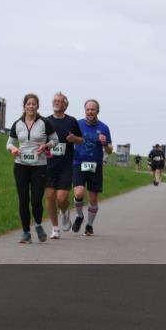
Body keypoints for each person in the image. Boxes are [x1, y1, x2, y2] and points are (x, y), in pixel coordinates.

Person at [6, 94, 58, 243]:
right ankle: (26, 233)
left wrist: (46, 146)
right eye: (28, 104)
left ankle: (38, 224)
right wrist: (13, 149)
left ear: (37, 106)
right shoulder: (17, 124)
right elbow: (9, 143)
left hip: (39, 166)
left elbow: (55, 140)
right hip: (21, 165)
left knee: (36, 200)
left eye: (33, 104)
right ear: (24, 106)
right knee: (23, 200)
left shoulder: (45, 123)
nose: (31, 106)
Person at [71, 100, 113, 236]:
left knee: (93, 198)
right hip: (78, 162)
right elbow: (70, 140)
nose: (90, 112)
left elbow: (110, 150)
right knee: (78, 193)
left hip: (96, 165)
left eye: (92, 109)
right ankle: (79, 216)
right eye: (88, 109)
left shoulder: (104, 127)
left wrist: (105, 143)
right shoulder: (78, 124)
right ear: (85, 110)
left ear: (97, 111)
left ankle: (89, 225)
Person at [44, 92, 82, 238]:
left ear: (65, 105)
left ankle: (65, 212)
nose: (56, 103)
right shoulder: (46, 121)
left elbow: (81, 140)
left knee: (61, 198)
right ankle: (55, 228)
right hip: (48, 165)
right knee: (50, 196)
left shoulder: (71, 121)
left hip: (66, 166)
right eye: (54, 100)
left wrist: (74, 139)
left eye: (59, 101)